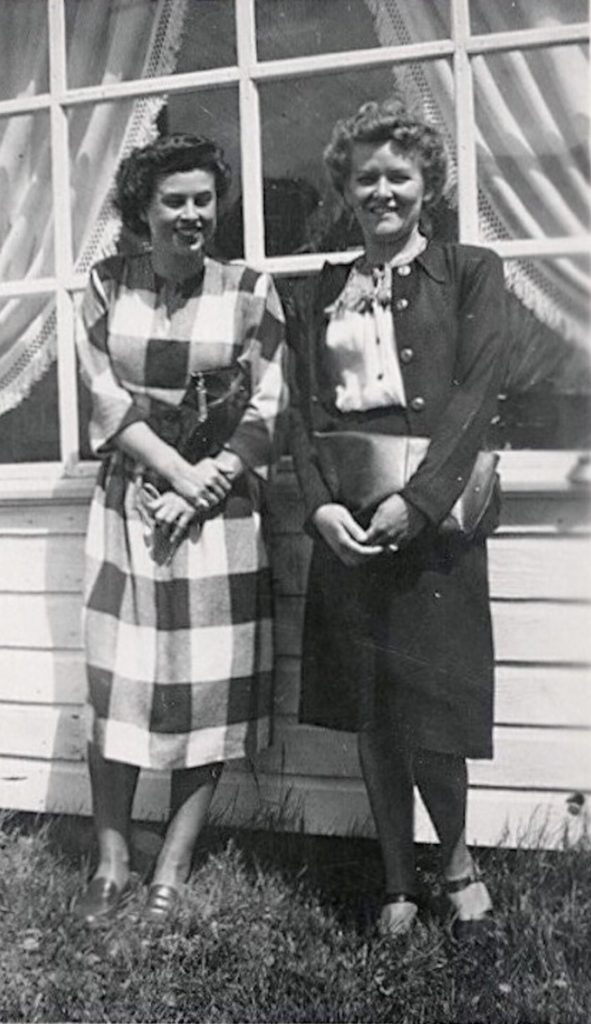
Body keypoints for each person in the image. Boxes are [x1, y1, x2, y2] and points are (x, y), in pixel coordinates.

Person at [288, 99, 505, 938]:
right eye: (365, 176)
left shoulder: (471, 271)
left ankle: (453, 860)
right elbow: (300, 415)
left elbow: (478, 396)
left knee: (436, 712)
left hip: (434, 524)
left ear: (427, 185)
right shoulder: (316, 291)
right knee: (372, 709)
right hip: (348, 525)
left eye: (398, 176)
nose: (382, 191)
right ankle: (395, 880)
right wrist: (317, 511)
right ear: (345, 189)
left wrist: (417, 504)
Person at [74, 133, 287, 926]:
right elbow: (104, 398)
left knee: (206, 689)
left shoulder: (249, 291)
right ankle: (110, 860)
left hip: (218, 512)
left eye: (204, 199)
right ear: (143, 210)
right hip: (131, 501)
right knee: (118, 680)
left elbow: (269, 405)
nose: (193, 214)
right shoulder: (103, 286)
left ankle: (172, 865)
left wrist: (207, 483)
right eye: (175, 200)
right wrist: (173, 472)